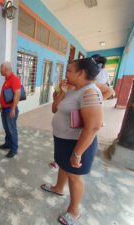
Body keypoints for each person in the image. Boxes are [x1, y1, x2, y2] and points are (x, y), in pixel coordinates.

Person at [41, 57, 103, 225]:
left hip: (76, 144)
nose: (66, 73)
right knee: (62, 166)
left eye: (69, 70)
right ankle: (58, 188)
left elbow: (94, 126)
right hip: (63, 139)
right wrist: (62, 91)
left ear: (81, 73)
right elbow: (54, 109)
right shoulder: (73, 89)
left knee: (74, 177)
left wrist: (77, 153)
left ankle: (74, 211)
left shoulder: (90, 92)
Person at [0, 62, 21, 158]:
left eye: (1, 69)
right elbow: (7, 96)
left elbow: (17, 94)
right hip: (5, 109)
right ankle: (8, 143)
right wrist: (2, 106)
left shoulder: (14, 79)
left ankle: (14, 149)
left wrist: (12, 109)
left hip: (10, 110)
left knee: (12, 130)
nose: (0, 70)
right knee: (6, 128)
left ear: (6, 69)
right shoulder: (7, 79)